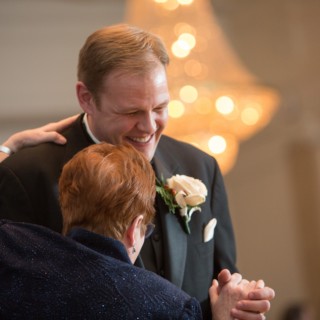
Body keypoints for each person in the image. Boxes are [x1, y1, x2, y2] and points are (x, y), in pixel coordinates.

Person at [0, 23, 274, 319]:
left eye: (160, 107)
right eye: (131, 112)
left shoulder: (200, 166)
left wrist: (237, 304)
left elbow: (221, 283)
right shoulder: (26, 176)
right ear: (86, 98)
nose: (149, 127)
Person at [0, 143, 271, 319]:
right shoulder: (170, 307)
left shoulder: (12, 247)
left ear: (66, 204)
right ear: (134, 228)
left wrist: (8, 149)